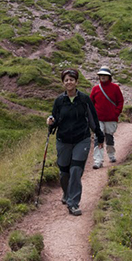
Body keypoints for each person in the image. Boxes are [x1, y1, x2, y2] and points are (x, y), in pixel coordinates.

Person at [47, 68, 104, 216]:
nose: (69, 82)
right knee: (64, 172)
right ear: (63, 83)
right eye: (66, 80)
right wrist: (50, 122)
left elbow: (93, 119)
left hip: (82, 139)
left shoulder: (84, 99)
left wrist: (99, 135)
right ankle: (66, 193)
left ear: (76, 82)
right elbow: (55, 119)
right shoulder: (59, 101)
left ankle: (73, 203)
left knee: (76, 170)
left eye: (71, 79)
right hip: (63, 140)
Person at [90, 66, 124, 169]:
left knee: (109, 138)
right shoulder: (95, 89)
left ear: (109, 77)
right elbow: (91, 103)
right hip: (98, 119)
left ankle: (111, 154)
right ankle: (98, 160)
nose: (103, 77)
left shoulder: (115, 88)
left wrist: (116, 113)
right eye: (101, 75)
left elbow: (120, 101)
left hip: (111, 118)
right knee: (98, 138)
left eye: (105, 75)